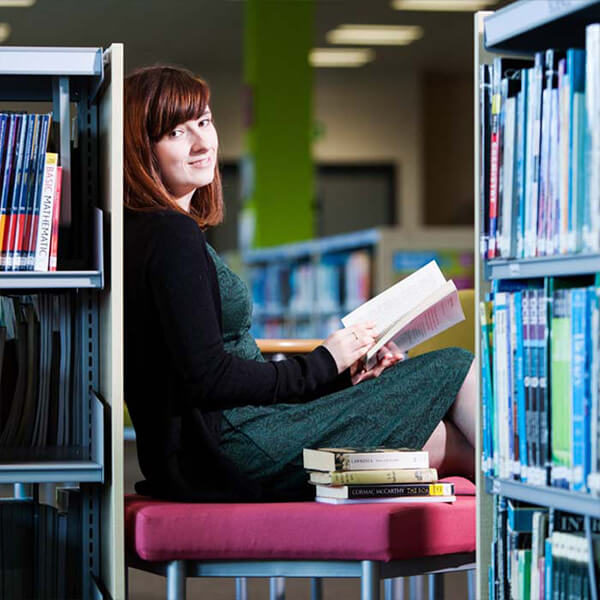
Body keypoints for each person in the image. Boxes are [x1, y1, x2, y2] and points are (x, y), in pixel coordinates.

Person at [124, 65, 476, 502]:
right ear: (142, 149)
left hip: (223, 446)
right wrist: (322, 365)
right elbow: (207, 379)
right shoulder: (169, 235)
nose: (201, 143)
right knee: (454, 366)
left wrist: (337, 373)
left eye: (204, 122)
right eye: (176, 132)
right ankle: (534, 513)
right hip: (238, 448)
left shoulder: (148, 232)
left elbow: (206, 373)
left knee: (450, 441)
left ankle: (520, 524)